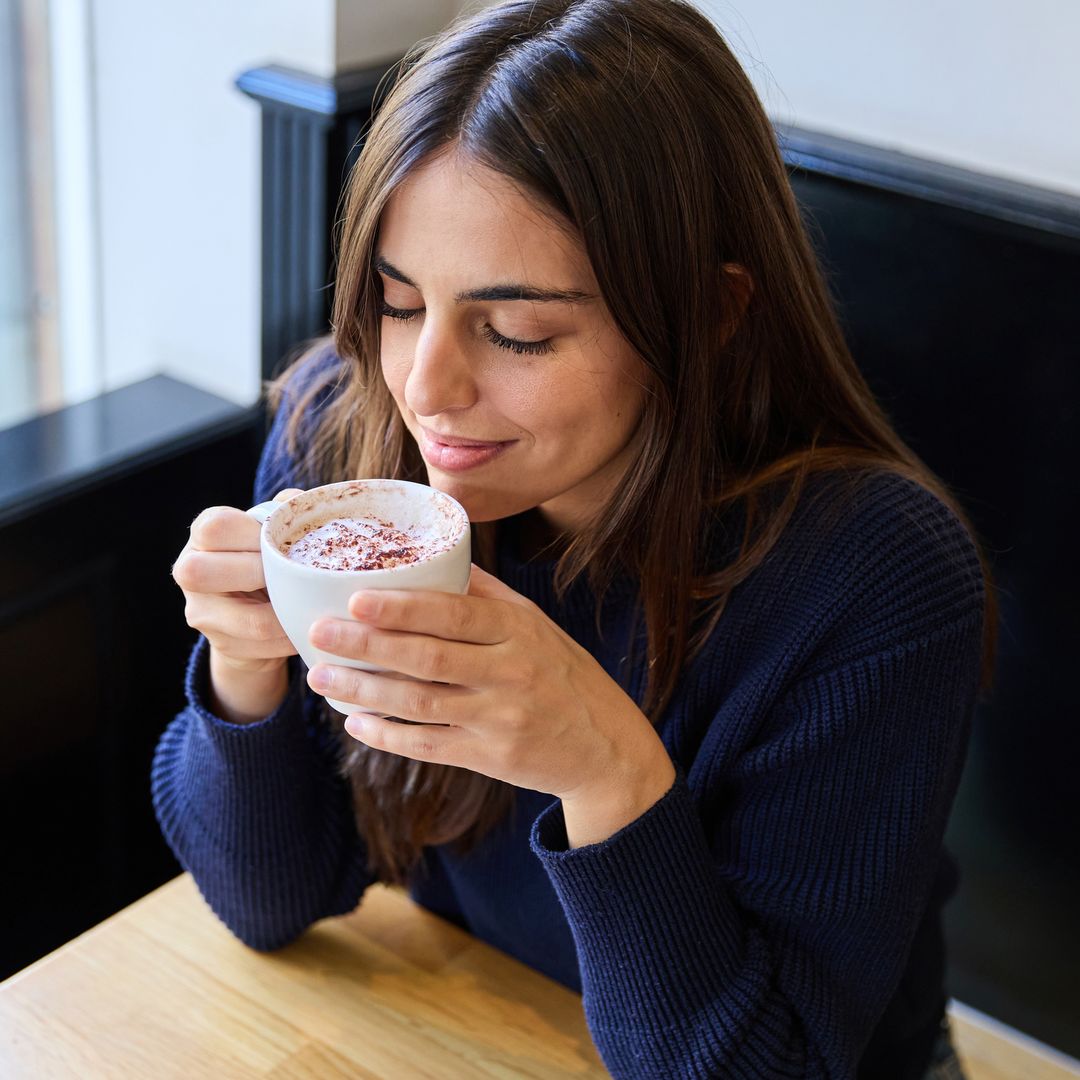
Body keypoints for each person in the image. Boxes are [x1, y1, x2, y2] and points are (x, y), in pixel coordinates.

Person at [158, 1, 994, 1077]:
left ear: (711, 313)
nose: (427, 390)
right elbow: (266, 902)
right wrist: (245, 669)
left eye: (520, 332)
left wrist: (606, 773)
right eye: (398, 302)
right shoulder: (343, 435)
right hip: (481, 1019)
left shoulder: (872, 574)